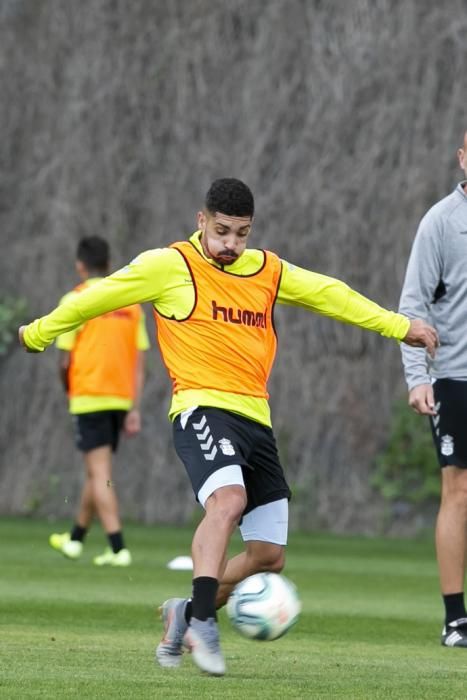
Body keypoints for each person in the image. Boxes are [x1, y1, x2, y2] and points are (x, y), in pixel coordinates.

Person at [19, 178, 438, 675]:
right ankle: (203, 623)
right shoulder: (169, 266)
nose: (231, 245)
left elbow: (332, 295)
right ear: (201, 221)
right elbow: (97, 297)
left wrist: (398, 325)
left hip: (255, 419)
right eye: (222, 232)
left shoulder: (267, 271)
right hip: (200, 407)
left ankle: (188, 609)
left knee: (267, 554)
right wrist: (40, 332)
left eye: (241, 234)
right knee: (228, 501)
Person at [399, 132, 467, 648]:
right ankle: (455, 619)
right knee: (457, 491)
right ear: (463, 158)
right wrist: (418, 379)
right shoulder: (441, 222)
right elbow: (413, 307)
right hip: (454, 378)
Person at [48, 236, 150, 567]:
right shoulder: (131, 305)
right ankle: (75, 538)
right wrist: (134, 407)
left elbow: (64, 360)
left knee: (101, 472)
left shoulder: (75, 299)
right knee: (97, 472)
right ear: (109, 265)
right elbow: (139, 359)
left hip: (89, 395)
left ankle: (118, 547)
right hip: (120, 398)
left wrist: (68, 389)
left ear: (80, 265)